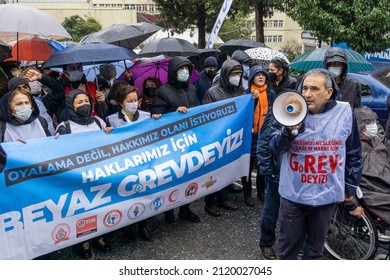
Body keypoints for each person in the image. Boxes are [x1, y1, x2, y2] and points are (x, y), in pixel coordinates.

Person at [268, 69, 363, 259]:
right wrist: (289, 131)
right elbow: (273, 148)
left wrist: (350, 188)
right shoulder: (287, 108)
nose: (307, 94)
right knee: (287, 250)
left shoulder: (344, 112)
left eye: (314, 89)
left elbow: (354, 152)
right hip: (294, 195)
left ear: (329, 93)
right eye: (304, 88)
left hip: (326, 196)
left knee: (315, 251)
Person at [55, 89, 110, 259]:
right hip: (78, 177)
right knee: (83, 210)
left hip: (99, 173)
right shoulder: (65, 127)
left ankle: (99, 235)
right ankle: (84, 242)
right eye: (79, 102)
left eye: (87, 101)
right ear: (71, 105)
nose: (84, 105)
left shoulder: (99, 121)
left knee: (100, 206)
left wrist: (110, 132)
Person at [150, 56, 200, 224]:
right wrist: (174, 112)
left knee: (189, 175)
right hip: (171, 143)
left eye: (187, 69)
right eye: (181, 69)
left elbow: (199, 109)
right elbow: (157, 116)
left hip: (190, 139)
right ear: (173, 71)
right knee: (172, 177)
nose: (184, 72)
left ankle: (185, 208)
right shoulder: (162, 91)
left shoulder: (192, 88)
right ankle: (168, 210)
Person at [105, 84, 153, 241]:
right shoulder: (112, 120)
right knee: (127, 196)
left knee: (144, 193)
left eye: (135, 100)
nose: (134, 103)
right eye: (129, 100)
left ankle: (143, 225)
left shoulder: (147, 116)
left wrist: (158, 120)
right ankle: (128, 226)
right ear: (120, 103)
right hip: (124, 166)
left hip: (144, 163)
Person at [202, 59, 244, 216]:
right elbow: (205, 117)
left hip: (233, 138)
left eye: (239, 74)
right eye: (233, 74)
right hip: (216, 138)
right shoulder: (213, 92)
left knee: (227, 169)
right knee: (213, 171)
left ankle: (223, 198)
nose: (237, 77)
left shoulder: (241, 92)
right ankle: (210, 202)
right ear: (226, 74)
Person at [241, 66, 275, 207]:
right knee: (247, 166)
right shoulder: (247, 93)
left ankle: (261, 191)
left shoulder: (271, 93)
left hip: (265, 134)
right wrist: (252, 100)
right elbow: (244, 113)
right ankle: (247, 194)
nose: (261, 77)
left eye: (263, 75)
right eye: (257, 75)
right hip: (250, 134)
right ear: (252, 78)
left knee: (263, 165)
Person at [354, 106, 390, 226]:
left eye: (375, 122)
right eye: (370, 123)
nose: (374, 125)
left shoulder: (375, 140)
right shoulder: (355, 148)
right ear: (360, 126)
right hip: (373, 188)